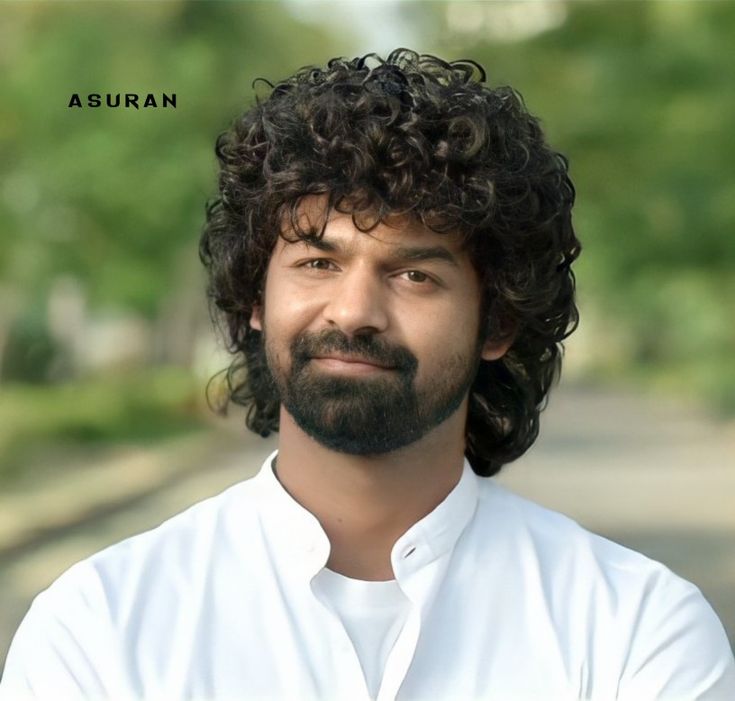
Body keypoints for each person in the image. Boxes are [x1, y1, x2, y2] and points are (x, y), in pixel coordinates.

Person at [1, 48, 733, 701]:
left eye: (414, 273)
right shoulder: (99, 625)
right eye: (318, 262)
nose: (353, 311)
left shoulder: (634, 631)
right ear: (257, 297)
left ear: (498, 322)